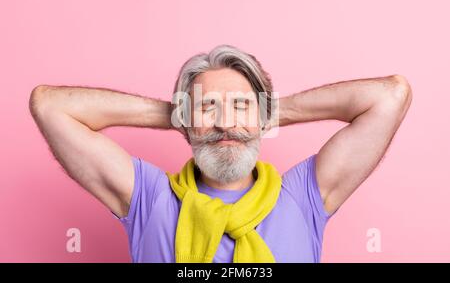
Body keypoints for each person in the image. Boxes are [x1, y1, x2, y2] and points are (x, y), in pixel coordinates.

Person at [29, 44, 412, 263]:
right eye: (209, 107)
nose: (225, 122)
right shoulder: (148, 197)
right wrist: (176, 114)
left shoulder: (304, 196)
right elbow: (50, 106)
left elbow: (390, 96)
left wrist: (272, 112)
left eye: (241, 106)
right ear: (185, 116)